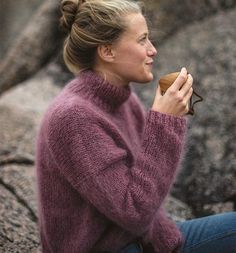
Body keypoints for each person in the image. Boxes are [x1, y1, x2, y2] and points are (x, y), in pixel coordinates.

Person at [35, 0, 236, 252]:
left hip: (146, 240)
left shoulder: (124, 99)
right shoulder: (73, 118)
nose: (153, 50)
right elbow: (134, 211)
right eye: (142, 40)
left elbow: (147, 188)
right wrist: (164, 123)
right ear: (107, 51)